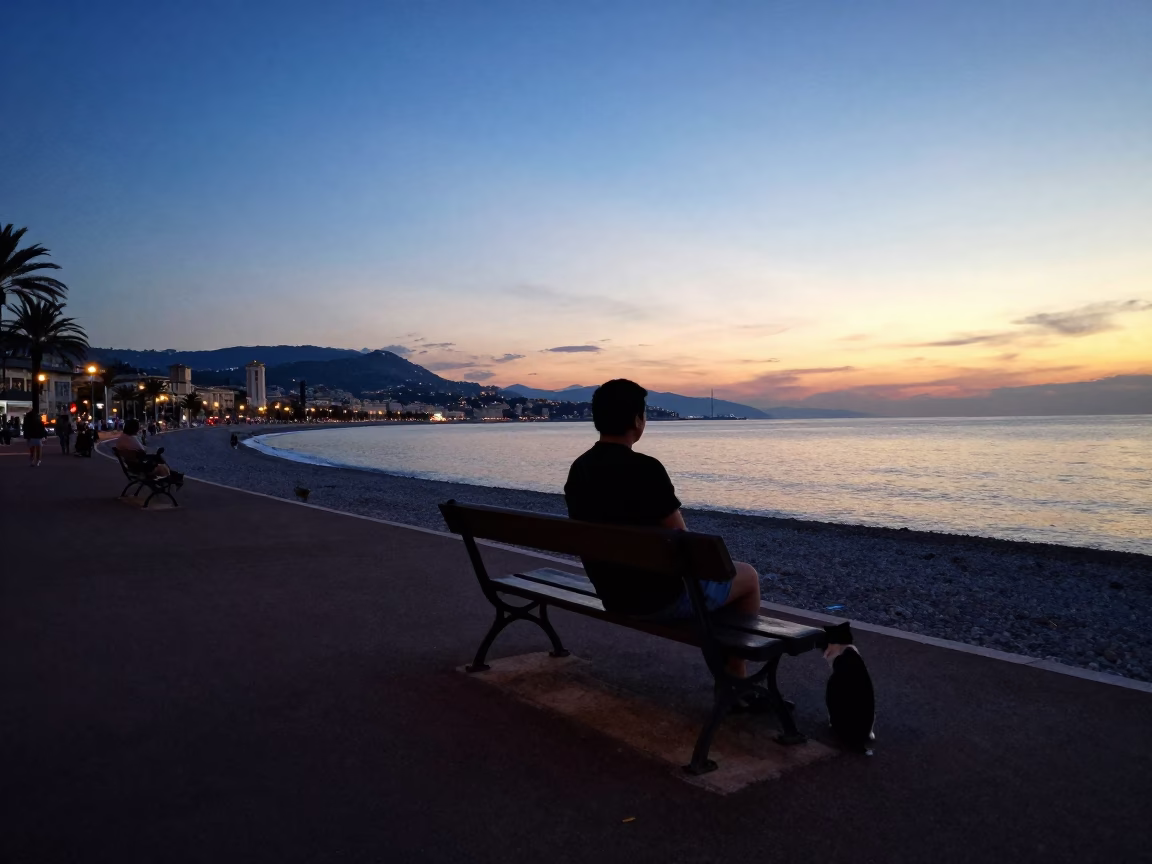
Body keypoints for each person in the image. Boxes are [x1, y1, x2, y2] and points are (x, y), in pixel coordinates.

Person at [564, 379, 763, 679]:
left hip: (612, 594)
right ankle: (736, 677)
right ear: (636, 420)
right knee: (746, 576)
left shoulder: (579, 468)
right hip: (658, 601)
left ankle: (729, 672)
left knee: (718, 581)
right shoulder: (646, 469)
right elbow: (683, 539)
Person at [115, 418, 183, 485]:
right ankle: (172, 475)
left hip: (132, 465)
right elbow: (142, 452)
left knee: (157, 455)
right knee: (157, 456)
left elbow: (139, 451)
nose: (139, 429)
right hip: (140, 467)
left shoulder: (123, 438)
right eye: (138, 427)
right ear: (134, 428)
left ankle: (173, 474)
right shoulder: (131, 439)